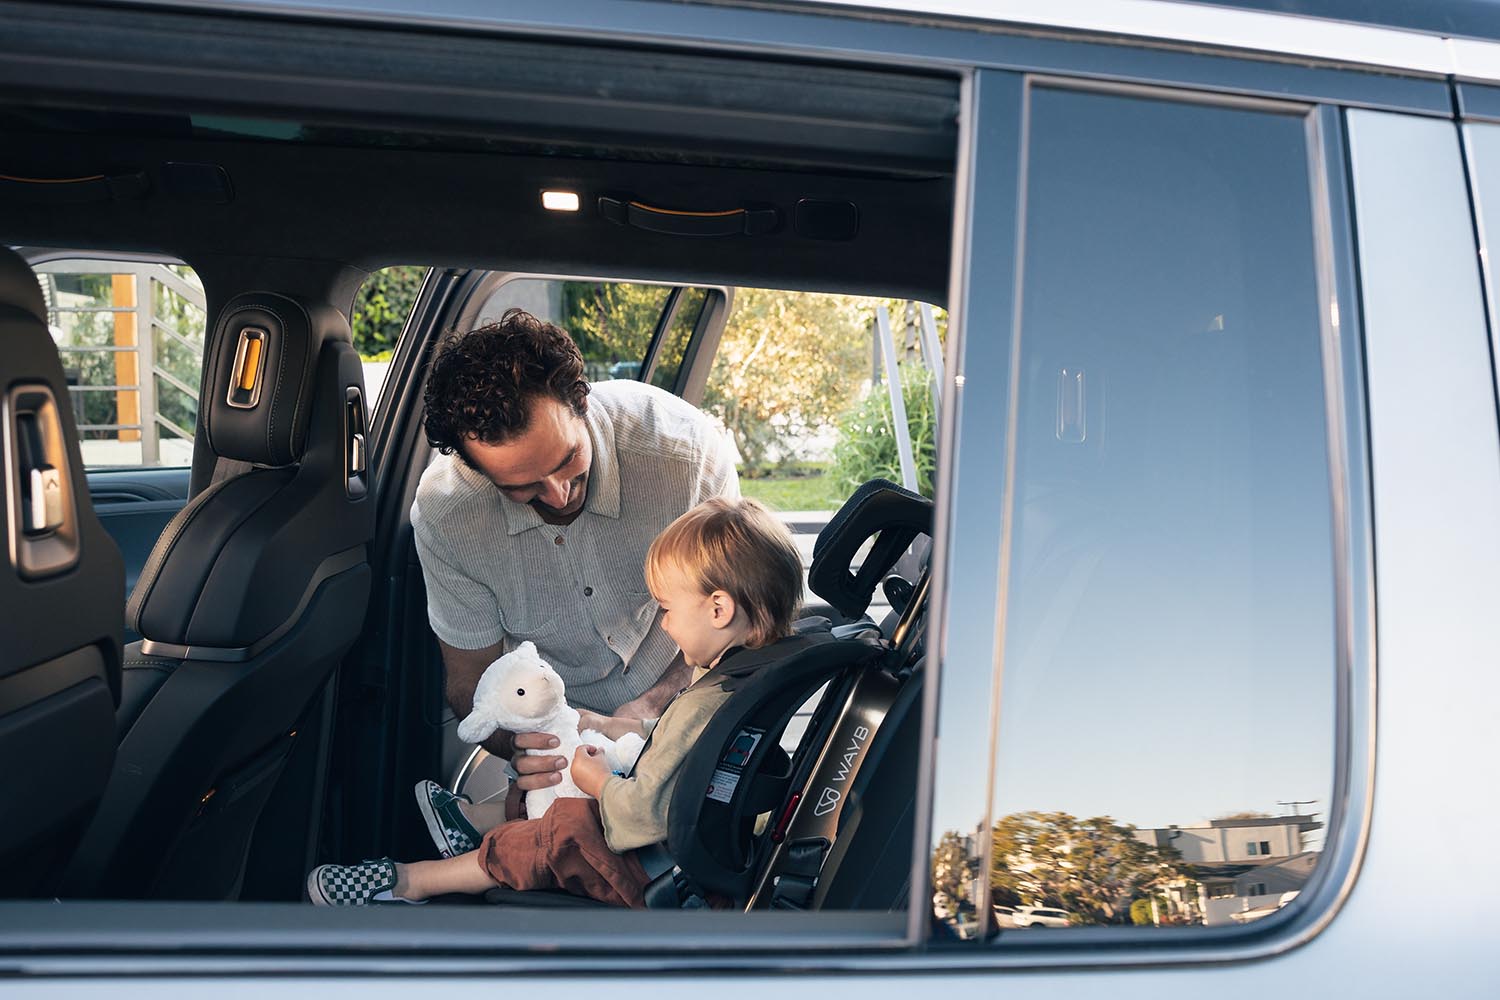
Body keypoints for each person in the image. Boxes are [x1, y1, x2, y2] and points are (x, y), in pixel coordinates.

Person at [306, 497, 804, 907]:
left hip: (665, 874)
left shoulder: (704, 707)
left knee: (562, 823)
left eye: (668, 610)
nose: (665, 625)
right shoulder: (753, 678)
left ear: (719, 609)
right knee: (568, 781)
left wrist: (598, 780)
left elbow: (638, 817)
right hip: (702, 848)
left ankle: (411, 882)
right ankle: (473, 823)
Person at [411, 309, 738, 809]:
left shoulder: (685, 451)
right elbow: (470, 681)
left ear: (581, 401)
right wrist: (530, 751)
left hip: (689, 702)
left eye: (567, 462)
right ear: (472, 467)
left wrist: (652, 712)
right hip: (557, 740)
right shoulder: (447, 515)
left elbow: (741, 619)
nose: (560, 494)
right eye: (521, 487)